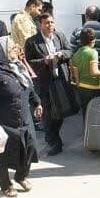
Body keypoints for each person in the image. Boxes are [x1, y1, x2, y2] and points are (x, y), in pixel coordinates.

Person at [0, 35, 42, 197]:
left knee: (29, 147)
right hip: (3, 119)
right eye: (11, 47)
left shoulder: (19, 66)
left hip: (25, 117)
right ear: (1, 50)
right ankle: (6, 184)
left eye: (15, 47)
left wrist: (37, 103)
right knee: (6, 153)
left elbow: (30, 88)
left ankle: (21, 176)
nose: (16, 49)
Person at [24, 13, 72, 156]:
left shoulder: (60, 36)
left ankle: (55, 136)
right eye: (46, 23)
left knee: (61, 111)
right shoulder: (32, 42)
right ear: (40, 24)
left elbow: (70, 50)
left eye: (52, 22)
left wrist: (61, 54)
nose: (50, 25)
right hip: (43, 82)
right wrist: (43, 61)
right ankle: (53, 142)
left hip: (60, 79)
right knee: (47, 114)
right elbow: (28, 63)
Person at [70, 28, 100, 120]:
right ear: (93, 40)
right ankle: (96, 133)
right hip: (94, 89)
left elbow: (75, 76)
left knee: (86, 113)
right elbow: (94, 72)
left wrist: (79, 86)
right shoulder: (93, 52)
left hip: (82, 89)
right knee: (96, 114)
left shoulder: (75, 55)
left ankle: (87, 133)